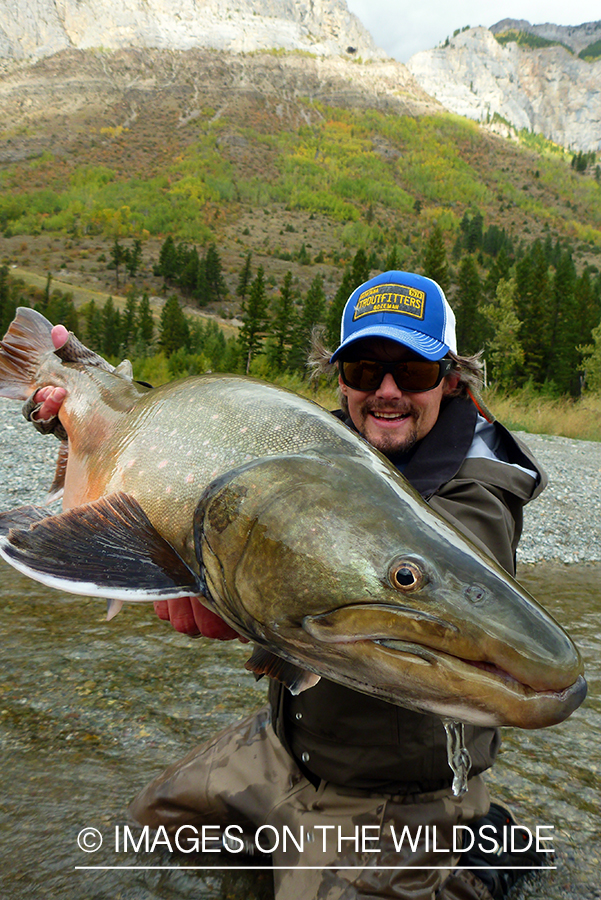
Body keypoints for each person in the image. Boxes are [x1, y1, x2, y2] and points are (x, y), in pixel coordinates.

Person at [26, 271, 547, 900]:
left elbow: (457, 583)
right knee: (146, 831)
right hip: (285, 749)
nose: (386, 393)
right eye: (362, 370)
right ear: (339, 378)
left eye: (411, 374)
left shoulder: (482, 492)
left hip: (389, 798)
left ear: (452, 379)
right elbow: (186, 439)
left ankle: (470, 851)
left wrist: (238, 600)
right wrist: (86, 409)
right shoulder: (317, 446)